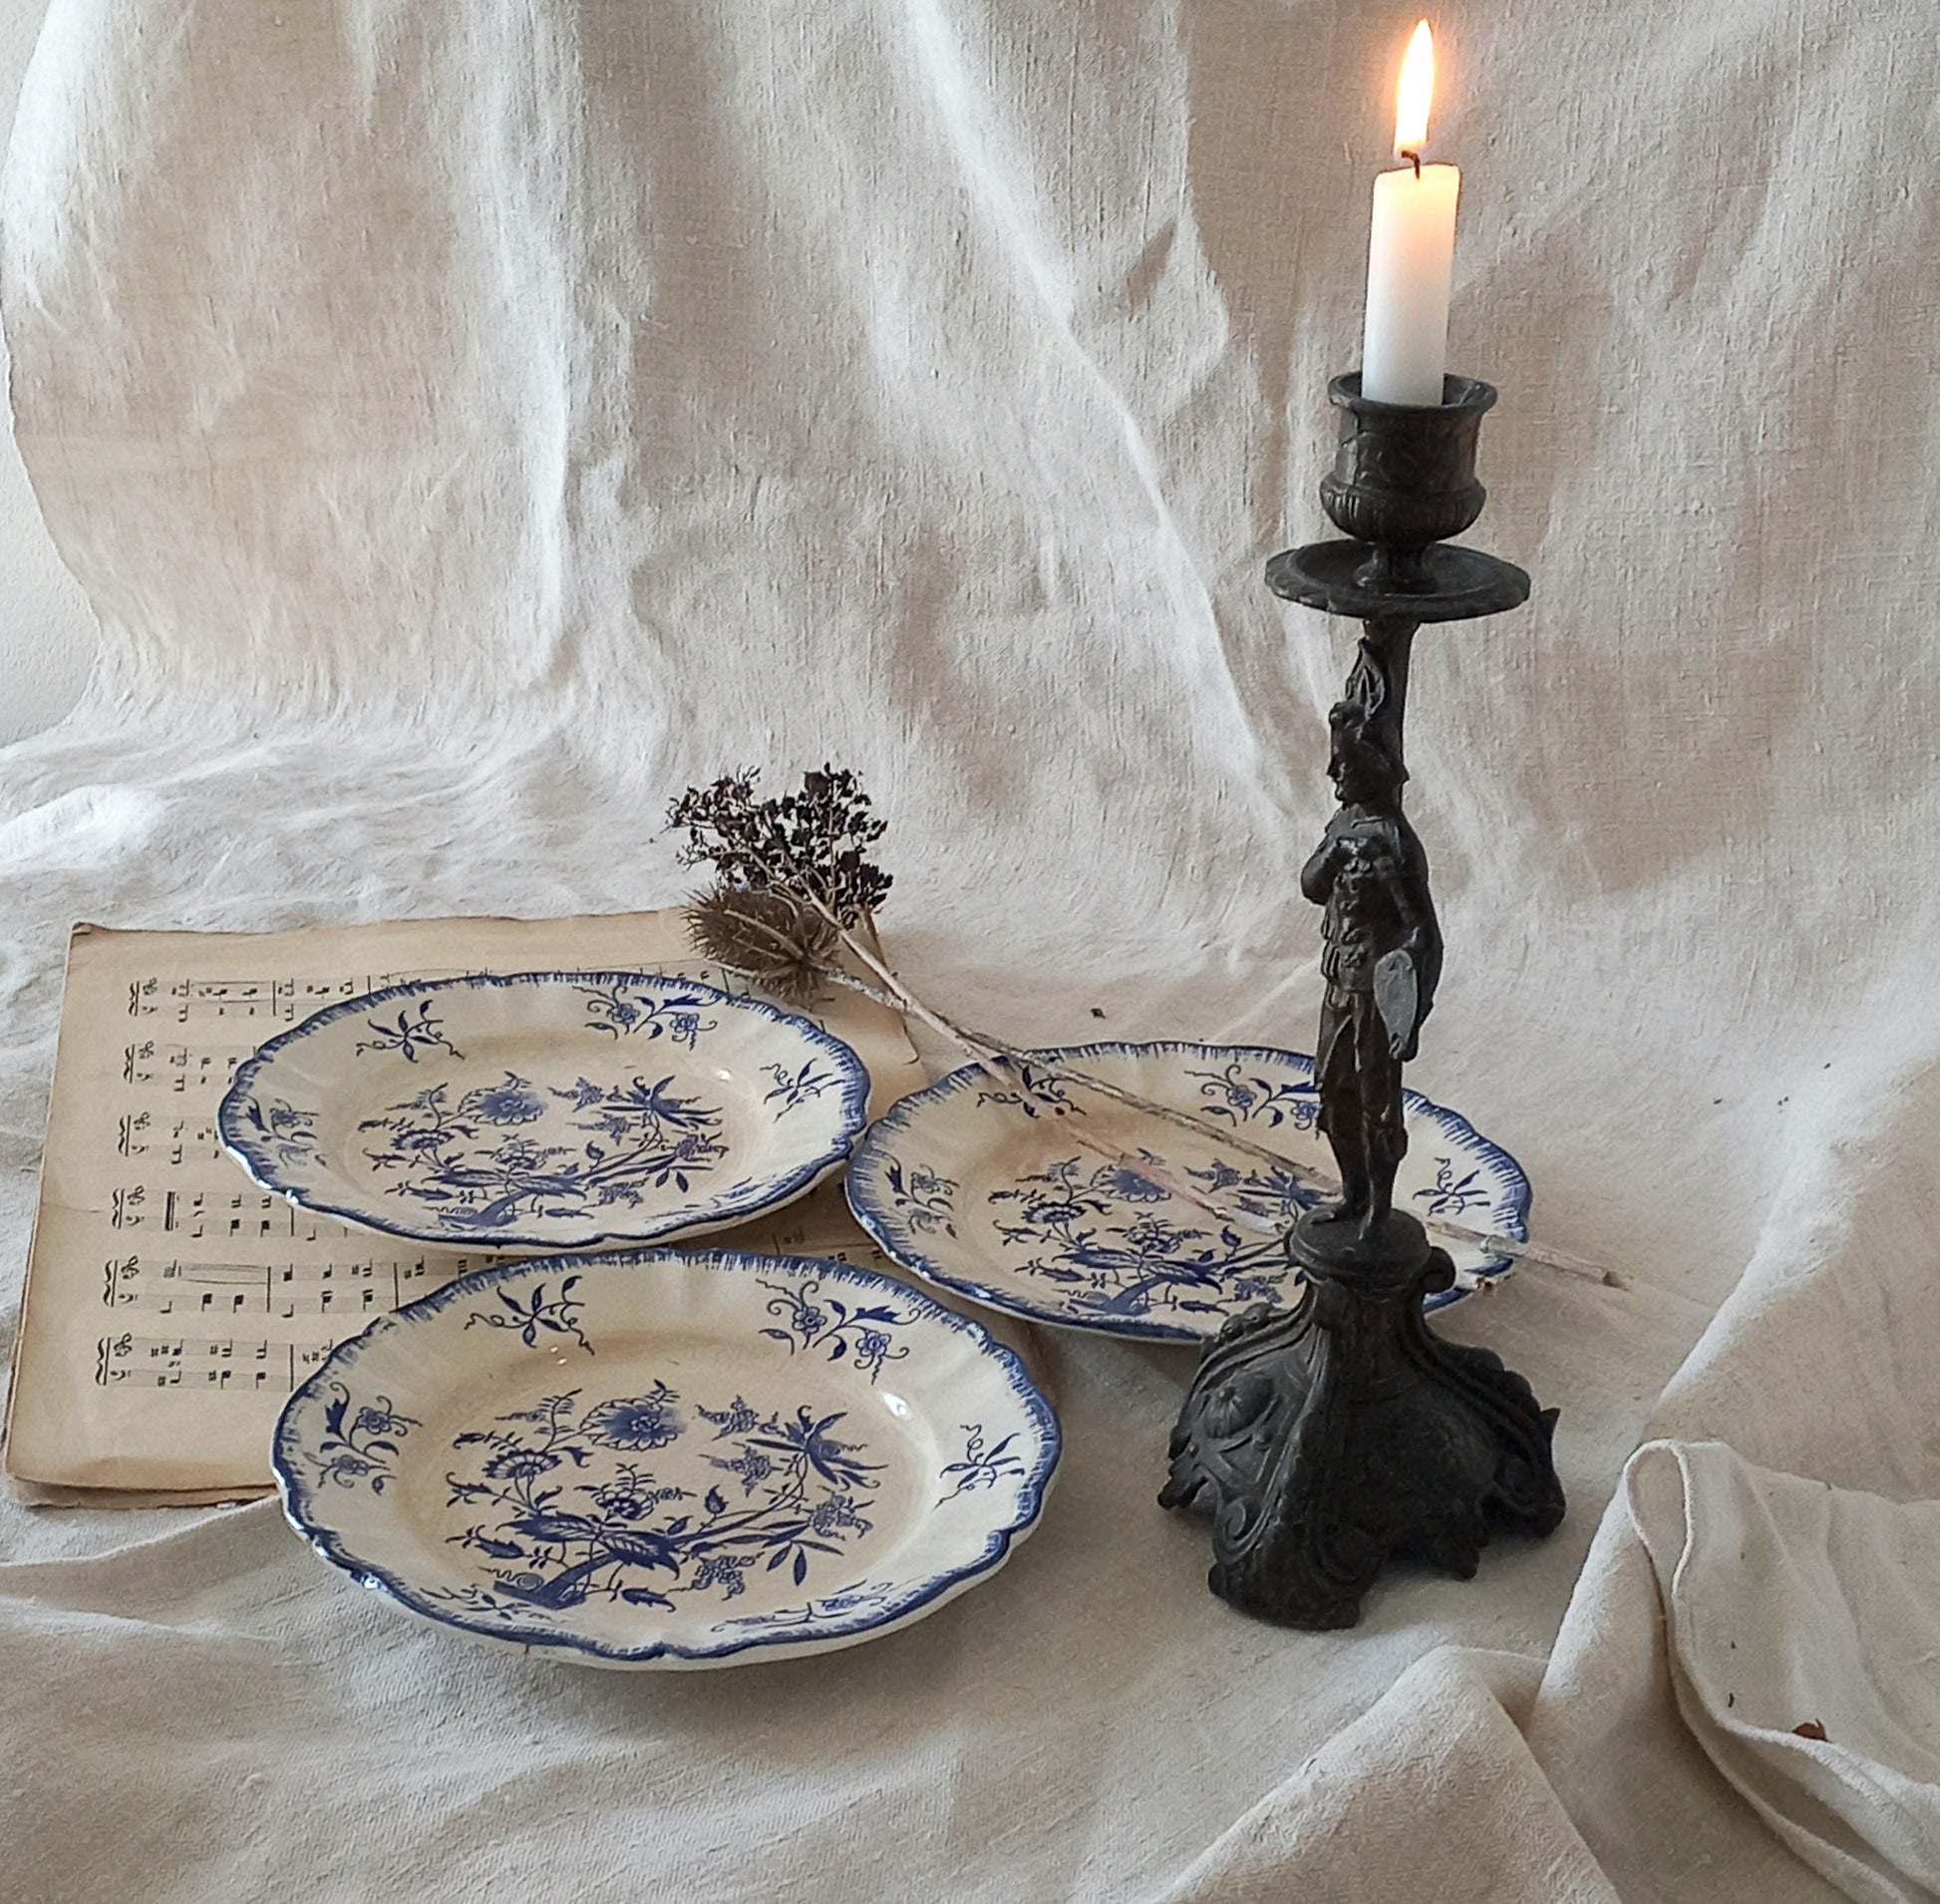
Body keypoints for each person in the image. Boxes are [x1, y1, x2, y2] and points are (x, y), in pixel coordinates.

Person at [1299, 698, 1442, 1242]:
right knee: (1334, 1092)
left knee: (1378, 1102)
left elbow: (1421, 930)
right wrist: (1334, 857)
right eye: (1336, 766)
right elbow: (1311, 886)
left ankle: (1379, 1208)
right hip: (1338, 980)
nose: (1335, 777)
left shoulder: (1394, 841)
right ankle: (1352, 1192)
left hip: (1374, 993)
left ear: (1373, 772)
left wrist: (1410, 1003)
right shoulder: (1342, 824)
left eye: (1347, 768)